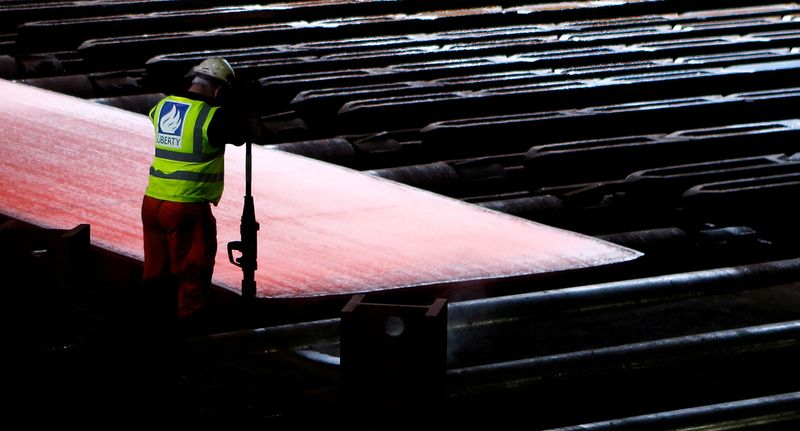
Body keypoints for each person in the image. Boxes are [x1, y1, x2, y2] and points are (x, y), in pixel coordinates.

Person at [141, 57, 260, 327]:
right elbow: (242, 133)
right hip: (187, 206)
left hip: (153, 201)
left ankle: (150, 323)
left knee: (156, 269)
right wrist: (239, 103)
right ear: (219, 91)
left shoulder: (163, 106)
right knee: (193, 270)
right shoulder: (211, 118)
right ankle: (188, 328)